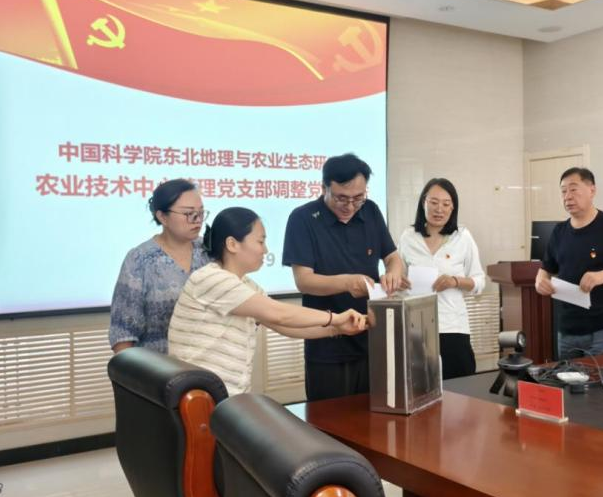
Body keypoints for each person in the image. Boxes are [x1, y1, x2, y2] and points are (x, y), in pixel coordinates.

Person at [168, 208, 366, 395]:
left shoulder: (246, 285)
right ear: (232, 244)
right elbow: (279, 314)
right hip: (201, 395)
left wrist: (336, 329)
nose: (265, 250)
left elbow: (284, 325)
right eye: (260, 242)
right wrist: (336, 318)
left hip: (226, 395)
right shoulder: (211, 279)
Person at [282, 153, 404, 401]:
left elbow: (392, 257)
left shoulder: (370, 211)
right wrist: (347, 283)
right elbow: (304, 281)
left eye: (358, 198)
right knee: (329, 418)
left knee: (375, 413)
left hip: (372, 337)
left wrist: (393, 273)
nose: (350, 206)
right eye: (341, 198)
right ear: (324, 188)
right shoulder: (302, 219)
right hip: (327, 342)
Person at [534, 167, 603, 359]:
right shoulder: (559, 231)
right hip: (568, 327)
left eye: (573, 189)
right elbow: (546, 269)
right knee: (568, 376)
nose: (567, 196)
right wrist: (540, 282)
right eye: (563, 191)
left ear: (592, 190)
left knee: (600, 377)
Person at [397, 178, 485, 379]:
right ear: (423, 203)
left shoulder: (462, 236)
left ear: (453, 207)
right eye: (434, 202)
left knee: (460, 388)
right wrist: (399, 281)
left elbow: (479, 282)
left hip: (453, 326)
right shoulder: (408, 237)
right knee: (419, 387)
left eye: (446, 204)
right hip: (416, 328)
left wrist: (455, 281)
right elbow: (398, 277)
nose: (439, 209)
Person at [109, 179, 210, 354]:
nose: (197, 220)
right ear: (162, 216)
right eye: (189, 213)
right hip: (158, 367)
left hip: (211, 365)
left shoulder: (210, 251)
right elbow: (123, 335)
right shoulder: (140, 259)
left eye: (201, 213)